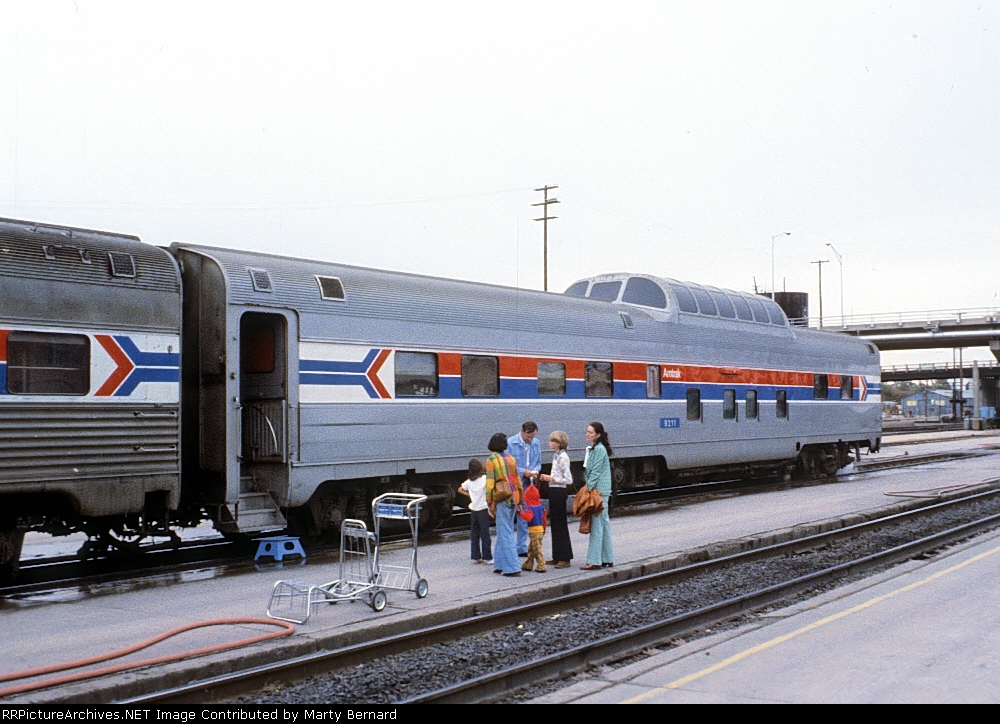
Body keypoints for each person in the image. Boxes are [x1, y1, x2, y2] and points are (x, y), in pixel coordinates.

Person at [485, 432, 524, 577]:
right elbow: (518, 480)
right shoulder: (511, 458)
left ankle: (512, 568)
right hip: (513, 497)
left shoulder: (491, 460)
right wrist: (519, 500)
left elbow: (490, 484)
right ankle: (500, 564)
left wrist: (489, 502)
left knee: (505, 533)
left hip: (501, 498)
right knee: (503, 531)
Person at [580, 421, 614, 570]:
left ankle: (594, 560)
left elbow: (595, 472)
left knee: (597, 525)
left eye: (590, 432)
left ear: (598, 435)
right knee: (603, 524)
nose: (587, 434)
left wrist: (587, 489)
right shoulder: (596, 448)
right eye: (587, 431)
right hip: (602, 491)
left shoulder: (598, 450)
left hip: (598, 491)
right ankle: (607, 557)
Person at [538, 430, 573, 568]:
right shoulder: (556, 456)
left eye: (553, 441)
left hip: (559, 491)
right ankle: (557, 556)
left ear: (559, 443)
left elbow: (568, 479)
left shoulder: (563, 457)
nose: (550, 443)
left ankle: (565, 557)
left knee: (560, 524)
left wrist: (551, 478)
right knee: (555, 523)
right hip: (554, 490)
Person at [507, 421, 541, 556]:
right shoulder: (511, 443)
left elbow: (538, 462)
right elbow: (508, 465)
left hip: (528, 484)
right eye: (528, 436)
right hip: (514, 483)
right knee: (510, 514)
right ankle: (509, 546)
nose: (530, 439)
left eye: (532, 437)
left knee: (524, 514)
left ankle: (521, 547)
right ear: (522, 431)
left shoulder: (536, 443)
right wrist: (523, 471)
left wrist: (535, 471)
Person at [457, 458, 492, 565]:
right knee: (485, 534)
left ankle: (476, 557)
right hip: (483, 509)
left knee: (475, 534)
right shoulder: (485, 479)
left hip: (474, 510)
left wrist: (469, 495)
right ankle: (487, 558)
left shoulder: (469, 482)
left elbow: (460, 489)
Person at [519, 483, 548, 572]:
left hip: (534, 531)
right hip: (540, 530)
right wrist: (544, 529)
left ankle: (541, 565)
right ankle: (528, 564)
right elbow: (544, 519)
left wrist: (520, 512)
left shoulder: (530, 509)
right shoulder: (541, 507)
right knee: (531, 549)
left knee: (537, 549)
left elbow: (528, 518)